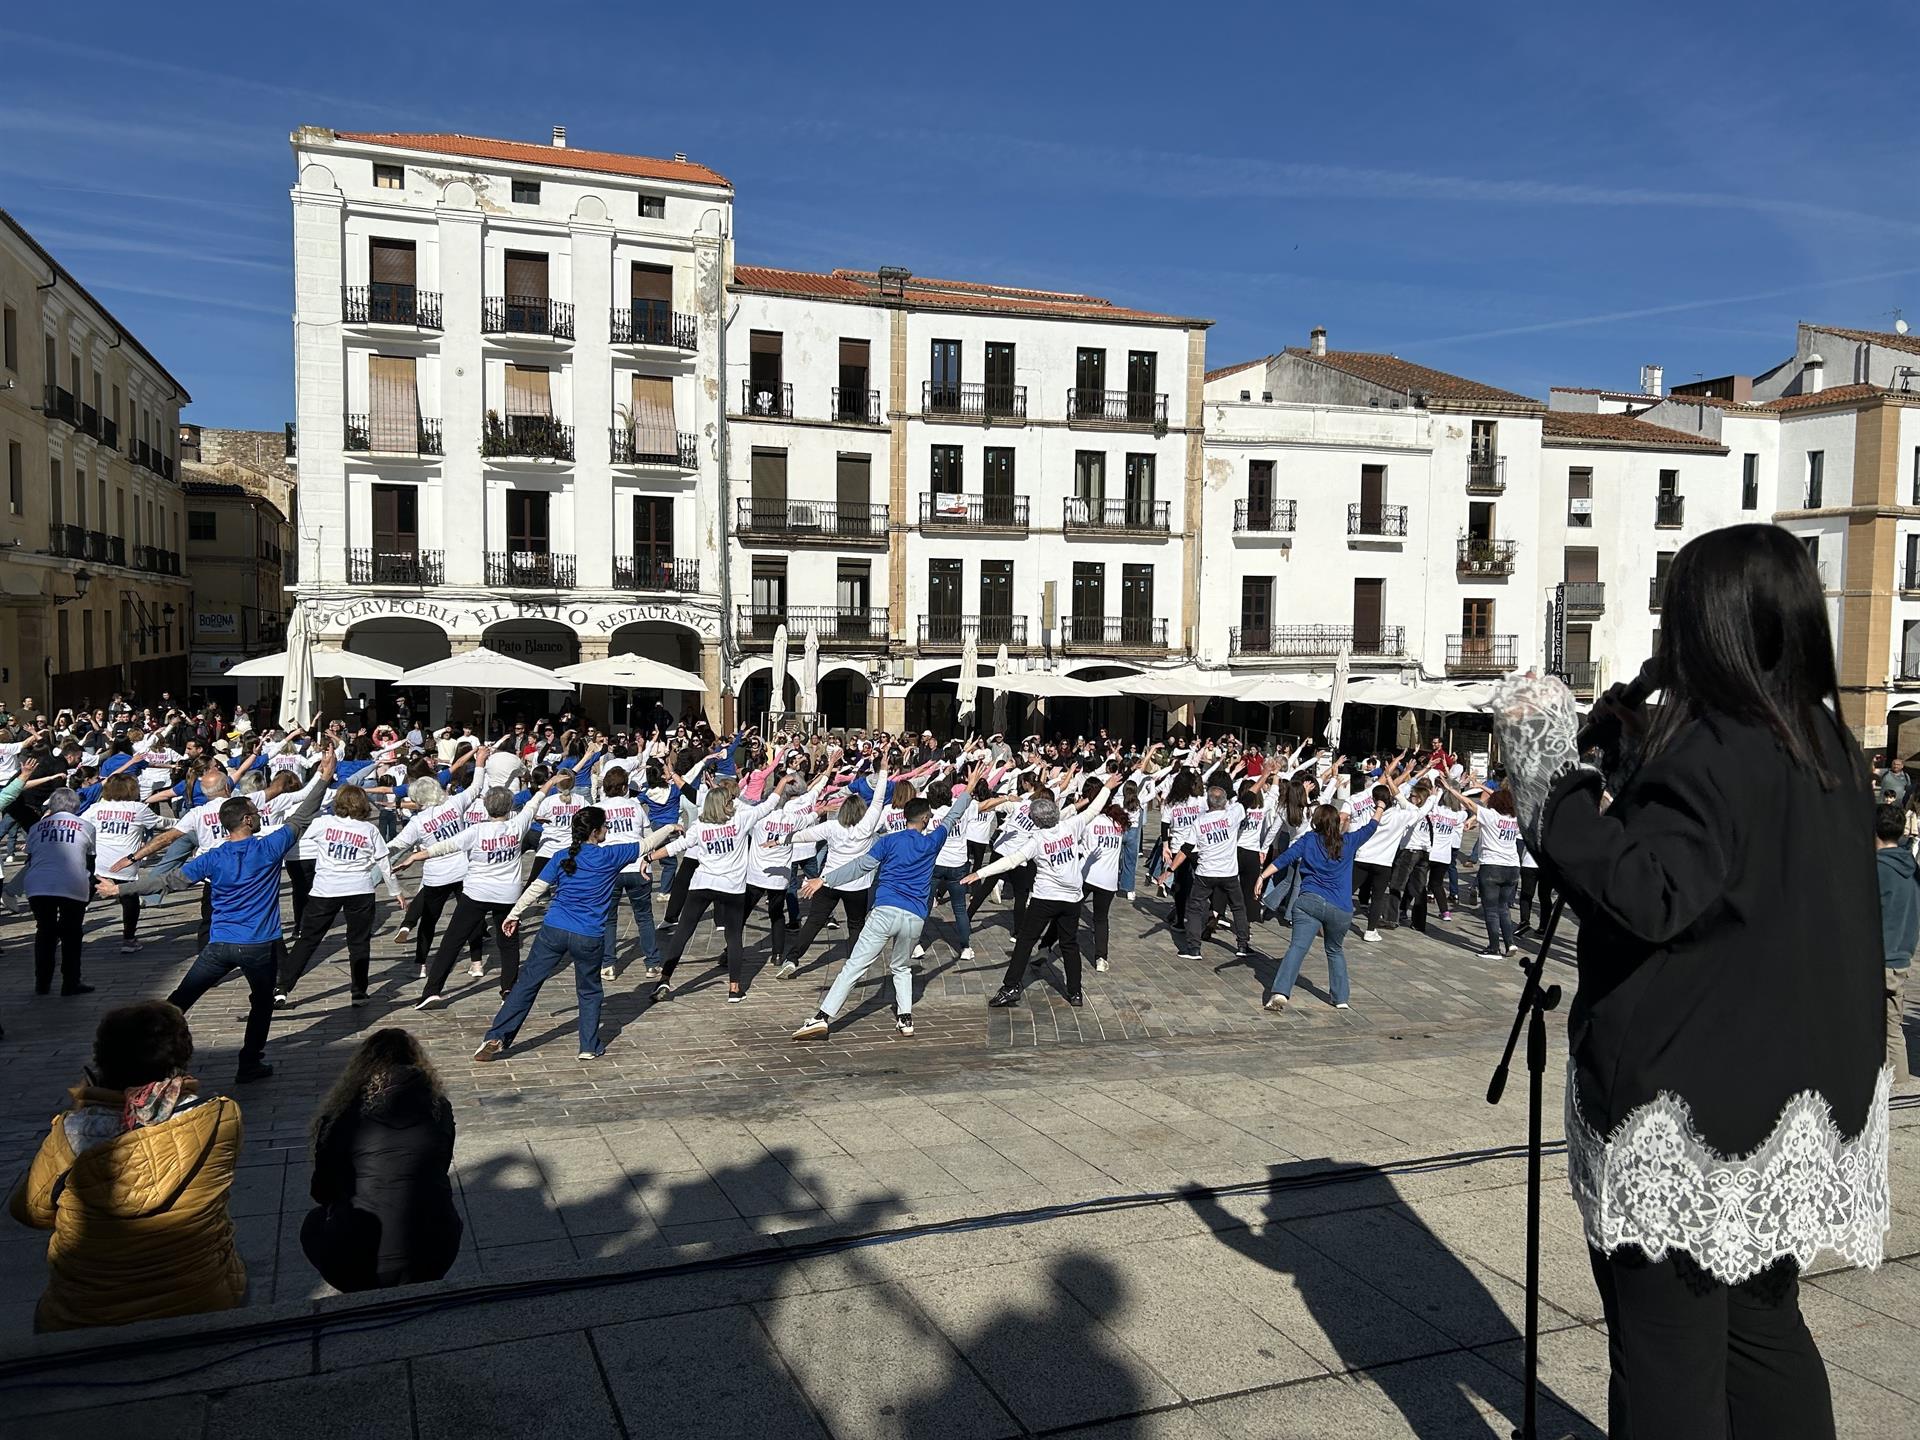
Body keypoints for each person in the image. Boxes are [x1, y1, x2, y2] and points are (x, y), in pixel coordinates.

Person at [1497, 525, 1886, 1439]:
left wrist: (1553, 787)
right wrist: (1635, 759)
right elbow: (1729, 878)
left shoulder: (1712, 745)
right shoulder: (1822, 740)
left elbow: (1652, 892)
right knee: (1761, 1329)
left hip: (1689, 1101)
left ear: (1706, 626)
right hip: (1792, 1090)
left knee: (1667, 1354)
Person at [101, 752, 337, 1082]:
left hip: (220, 944)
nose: (257, 816)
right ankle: (249, 1062)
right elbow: (301, 817)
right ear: (247, 821)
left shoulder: (211, 858)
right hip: (258, 945)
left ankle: (144, 1055)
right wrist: (324, 778)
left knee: (178, 1001)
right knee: (262, 1004)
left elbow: (167, 880)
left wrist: (120, 891)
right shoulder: (268, 848)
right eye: (254, 813)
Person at [8, 1002, 245, 1330]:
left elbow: (30, 1212)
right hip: (201, 1297)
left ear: (103, 1060)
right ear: (179, 1059)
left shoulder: (71, 1131)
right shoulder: (219, 1117)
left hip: (84, 1314)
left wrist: (88, 1103)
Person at [473, 807, 678, 1061]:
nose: (607, 830)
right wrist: (670, 827)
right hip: (589, 935)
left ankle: (496, 1037)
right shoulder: (611, 855)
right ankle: (589, 1046)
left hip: (554, 930)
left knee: (526, 984)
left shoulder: (561, 856)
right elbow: (647, 843)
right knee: (589, 991)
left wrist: (514, 915)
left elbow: (537, 887)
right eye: (605, 826)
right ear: (595, 831)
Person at [790, 771, 976, 1040]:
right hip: (914, 918)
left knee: (854, 966)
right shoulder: (933, 842)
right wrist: (968, 789)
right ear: (926, 820)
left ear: (903, 817)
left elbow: (860, 866)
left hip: (885, 911)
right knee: (901, 967)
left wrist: (825, 879)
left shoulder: (888, 841)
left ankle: (821, 1018)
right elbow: (952, 817)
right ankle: (905, 1018)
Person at [300, 1029, 461, 1292]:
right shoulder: (439, 1108)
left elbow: (322, 1191)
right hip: (436, 1254)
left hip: (357, 1264)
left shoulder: (340, 1117)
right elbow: (439, 1168)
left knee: (313, 1223)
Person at [274, 784, 403, 1008]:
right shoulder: (368, 830)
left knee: (308, 940)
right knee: (359, 942)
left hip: (326, 888)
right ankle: (359, 991)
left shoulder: (323, 823)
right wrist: (395, 891)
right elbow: (384, 862)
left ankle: (283, 987)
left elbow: (294, 833)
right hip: (359, 889)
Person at [1255, 796, 1383, 1011]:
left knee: (1297, 948)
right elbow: (1371, 826)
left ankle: (1279, 993)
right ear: (1337, 823)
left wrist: (1262, 876)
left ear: (1315, 823)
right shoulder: (1349, 842)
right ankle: (1340, 998)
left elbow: (1285, 858)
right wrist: (1380, 806)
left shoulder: (1308, 840)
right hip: (1340, 908)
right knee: (1334, 950)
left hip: (1309, 902)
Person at [22, 789, 95, 996]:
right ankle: (70, 982)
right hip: (72, 881)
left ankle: (42, 982)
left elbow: (30, 856)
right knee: (72, 933)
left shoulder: (36, 828)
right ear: (76, 806)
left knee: (45, 931)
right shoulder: (86, 827)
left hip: (38, 883)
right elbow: (91, 860)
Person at [1874, 804, 1916, 1086]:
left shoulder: (1875, 869)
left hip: (1877, 959)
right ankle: (1900, 1086)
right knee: (1893, 1029)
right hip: (1901, 958)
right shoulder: (1911, 870)